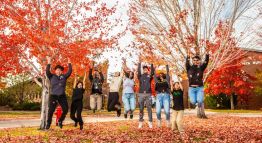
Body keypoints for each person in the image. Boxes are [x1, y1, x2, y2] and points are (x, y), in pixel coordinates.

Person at [45, 57, 72, 129]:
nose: (58, 71)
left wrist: (69, 63)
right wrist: (49, 62)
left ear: (61, 71)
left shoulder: (64, 77)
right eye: (57, 70)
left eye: (60, 70)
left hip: (62, 96)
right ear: (55, 71)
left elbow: (69, 72)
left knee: (66, 109)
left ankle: (60, 121)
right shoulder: (52, 76)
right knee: (51, 111)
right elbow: (47, 71)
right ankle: (48, 124)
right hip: (53, 96)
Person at [186, 50, 210, 118]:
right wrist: (188, 56)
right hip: (191, 88)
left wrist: (207, 55)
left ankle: (199, 105)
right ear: (192, 61)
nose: (196, 61)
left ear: (199, 61)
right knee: (193, 102)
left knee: (200, 100)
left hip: (199, 88)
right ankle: (197, 104)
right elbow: (187, 63)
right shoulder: (189, 68)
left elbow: (206, 62)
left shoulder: (201, 68)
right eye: (194, 60)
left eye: (197, 60)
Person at [137, 59, 154, 129]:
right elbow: (138, 71)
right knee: (141, 109)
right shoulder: (140, 76)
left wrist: (152, 64)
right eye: (144, 69)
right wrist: (139, 63)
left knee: (149, 108)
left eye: (146, 69)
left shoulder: (149, 76)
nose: (145, 70)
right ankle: (140, 122)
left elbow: (152, 72)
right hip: (141, 94)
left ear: (148, 70)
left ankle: (150, 122)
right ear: (143, 70)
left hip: (148, 94)